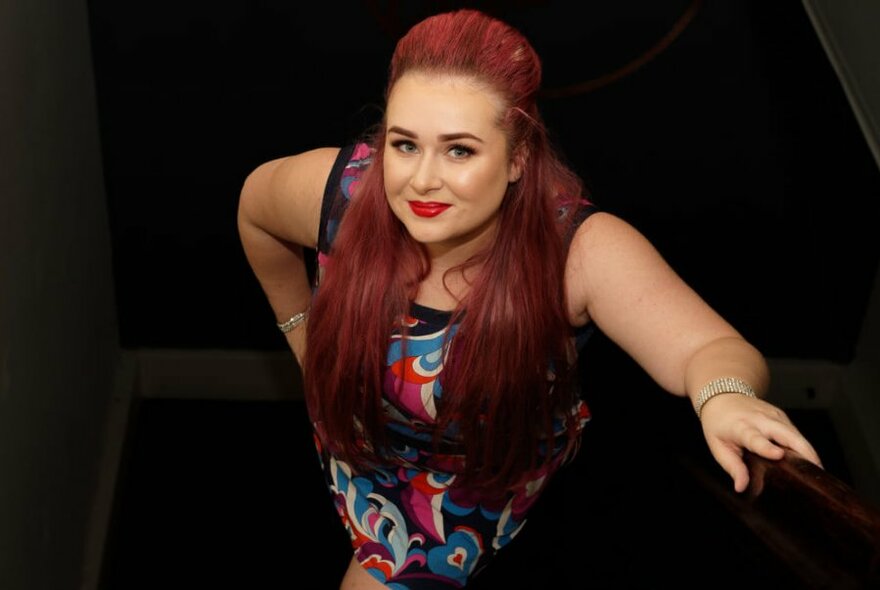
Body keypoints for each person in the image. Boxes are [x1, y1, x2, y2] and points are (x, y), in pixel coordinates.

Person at [237, 8, 822, 589]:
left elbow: (711, 347)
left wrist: (724, 397)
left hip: (458, 495)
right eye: (405, 144)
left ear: (518, 157)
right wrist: (301, 334)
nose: (422, 180)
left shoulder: (578, 254)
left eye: (459, 150)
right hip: (351, 444)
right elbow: (254, 212)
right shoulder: (341, 192)